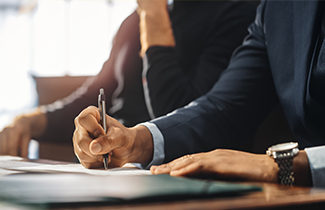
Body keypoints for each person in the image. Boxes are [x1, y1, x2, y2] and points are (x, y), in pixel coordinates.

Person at [73, 0, 325, 188]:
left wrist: (290, 165)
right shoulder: (277, 7)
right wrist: (134, 141)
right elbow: (225, 107)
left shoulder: (233, 10)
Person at [0, 1, 256, 157]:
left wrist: (154, 16)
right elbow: (95, 98)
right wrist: (33, 121)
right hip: (117, 165)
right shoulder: (133, 22)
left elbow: (181, 118)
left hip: (172, 172)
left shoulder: (236, 15)